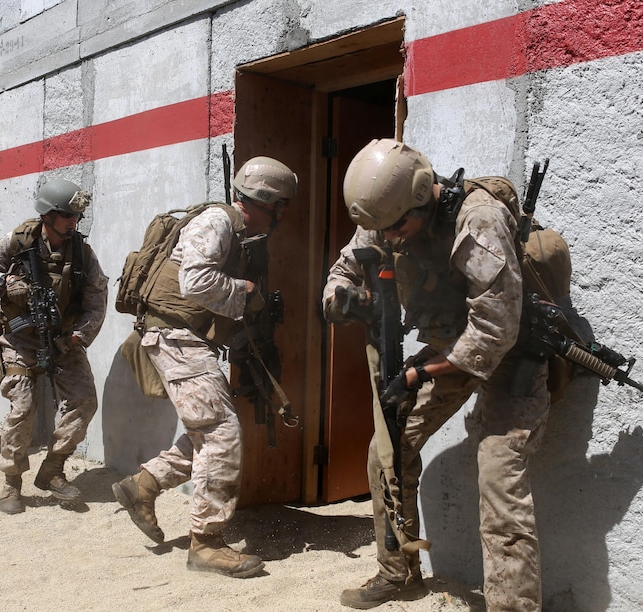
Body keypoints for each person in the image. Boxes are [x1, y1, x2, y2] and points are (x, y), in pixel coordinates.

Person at [323, 139, 548, 610]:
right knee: (386, 451)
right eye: (382, 230)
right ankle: (398, 572)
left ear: (423, 196)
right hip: (450, 346)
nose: (389, 239)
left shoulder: (479, 219)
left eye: (396, 228)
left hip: (513, 354)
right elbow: (346, 266)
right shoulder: (388, 215)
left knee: (500, 481)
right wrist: (341, 296)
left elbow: (494, 331)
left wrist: (418, 373)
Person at [110, 156, 298, 579]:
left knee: (207, 429)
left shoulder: (238, 232)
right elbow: (194, 282)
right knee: (220, 432)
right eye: (282, 206)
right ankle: (206, 544)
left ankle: (143, 485)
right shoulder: (218, 222)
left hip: (184, 338)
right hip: (175, 337)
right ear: (269, 202)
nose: (283, 215)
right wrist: (244, 290)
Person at [0, 178, 108, 514]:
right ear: (48, 215)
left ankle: (53, 469)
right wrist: (5, 282)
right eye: (68, 215)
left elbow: (97, 300)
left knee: (84, 400)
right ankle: (11, 481)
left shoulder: (82, 253)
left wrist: (78, 336)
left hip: (63, 338)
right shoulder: (17, 242)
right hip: (18, 338)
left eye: (77, 216)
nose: (74, 222)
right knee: (23, 407)